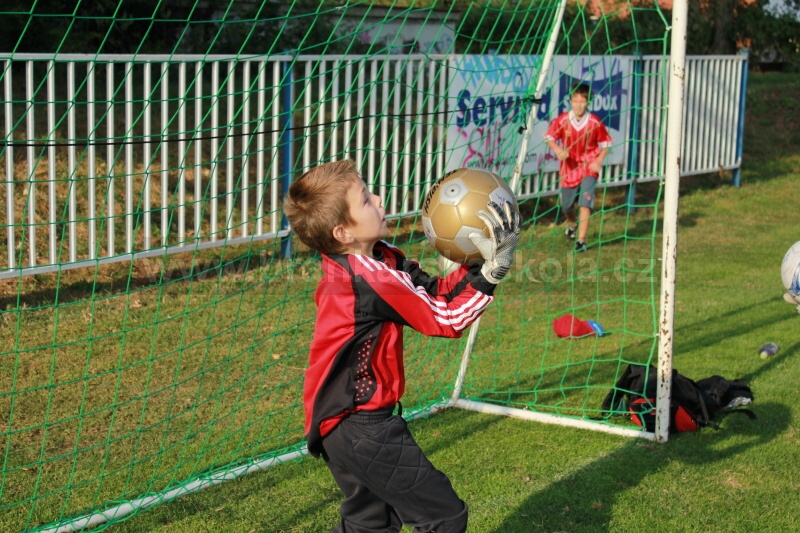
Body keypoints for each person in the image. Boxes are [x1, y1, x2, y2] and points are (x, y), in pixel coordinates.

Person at [282, 160, 520, 533]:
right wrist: (493, 272)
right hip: (360, 426)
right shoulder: (369, 279)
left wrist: (478, 262)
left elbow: (435, 292)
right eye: (365, 199)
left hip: (336, 425)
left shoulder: (379, 258)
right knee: (444, 516)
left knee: (369, 525)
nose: (378, 198)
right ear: (343, 231)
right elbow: (447, 319)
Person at [545, 82, 612, 252]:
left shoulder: (595, 122)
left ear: (588, 102)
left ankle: (581, 241)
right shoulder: (562, 120)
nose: (578, 105)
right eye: (575, 101)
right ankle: (573, 225)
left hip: (589, 167)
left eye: (582, 101)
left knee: (585, 203)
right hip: (569, 168)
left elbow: (606, 144)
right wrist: (558, 149)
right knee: (566, 206)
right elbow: (549, 137)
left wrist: (598, 161)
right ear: (570, 101)